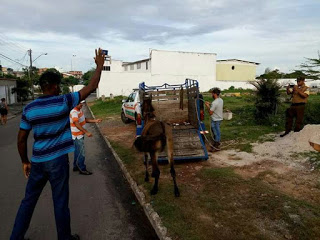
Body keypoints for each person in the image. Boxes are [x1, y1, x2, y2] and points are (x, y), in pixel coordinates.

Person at [10, 48, 105, 240]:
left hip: (37, 161)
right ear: (53, 86)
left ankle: (15, 238)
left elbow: (21, 139)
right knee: (60, 202)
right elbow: (91, 86)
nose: (60, 88)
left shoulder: (29, 108)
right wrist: (99, 66)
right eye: (59, 85)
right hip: (57, 162)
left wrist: (24, 161)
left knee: (28, 201)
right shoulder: (64, 101)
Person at [70, 100, 102, 175]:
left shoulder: (79, 110)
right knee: (82, 152)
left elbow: (84, 119)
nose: (82, 105)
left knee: (78, 151)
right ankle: (82, 168)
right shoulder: (74, 112)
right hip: (77, 135)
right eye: (80, 104)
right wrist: (86, 132)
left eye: (82, 103)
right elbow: (77, 124)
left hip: (79, 134)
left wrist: (95, 120)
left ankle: (75, 166)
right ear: (75, 103)